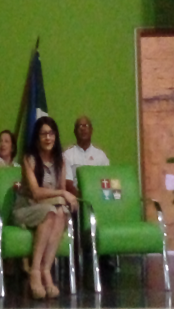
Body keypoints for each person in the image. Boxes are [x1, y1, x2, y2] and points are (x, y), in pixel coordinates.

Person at [13, 117, 78, 299]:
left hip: (49, 208)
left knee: (61, 212)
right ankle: (34, 271)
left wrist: (67, 200)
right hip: (26, 208)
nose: (48, 138)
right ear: (37, 138)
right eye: (43, 134)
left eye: (51, 133)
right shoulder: (29, 159)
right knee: (50, 212)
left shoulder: (60, 160)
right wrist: (63, 193)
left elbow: (60, 196)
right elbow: (35, 193)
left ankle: (46, 270)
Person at [64, 115, 110, 196]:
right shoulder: (67, 155)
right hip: (76, 198)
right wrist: (84, 198)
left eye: (86, 125)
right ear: (75, 131)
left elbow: (107, 180)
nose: (83, 129)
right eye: (80, 126)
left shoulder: (101, 155)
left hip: (97, 197)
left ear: (91, 130)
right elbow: (68, 183)